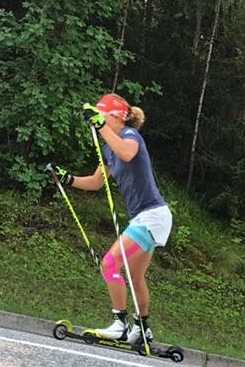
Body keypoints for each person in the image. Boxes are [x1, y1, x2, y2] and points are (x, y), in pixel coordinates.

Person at [50, 93, 173, 344]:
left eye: (102, 115)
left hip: (152, 216)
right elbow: (97, 182)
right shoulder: (108, 148)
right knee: (136, 276)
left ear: (115, 117)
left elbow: (127, 154)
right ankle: (142, 329)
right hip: (144, 218)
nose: (96, 121)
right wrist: (68, 179)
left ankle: (120, 324)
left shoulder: (130, 136)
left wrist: (102, 126)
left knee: (109, 264)